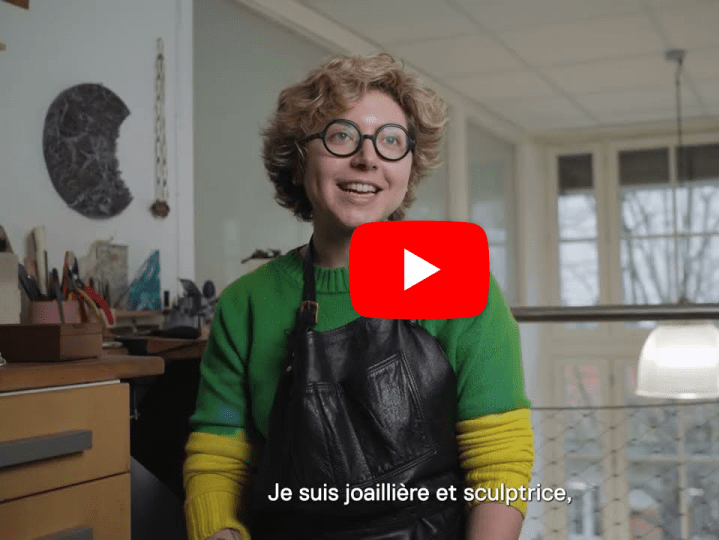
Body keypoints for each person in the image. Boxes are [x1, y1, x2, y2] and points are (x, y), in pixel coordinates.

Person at [182, 53, 534, 540]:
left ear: (408, 168)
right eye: (342, 135)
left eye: (391, 141)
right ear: (298, 159)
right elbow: (219, 460)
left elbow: (500, 460)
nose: (368, 158)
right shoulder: (246, 303)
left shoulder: (462, 284)